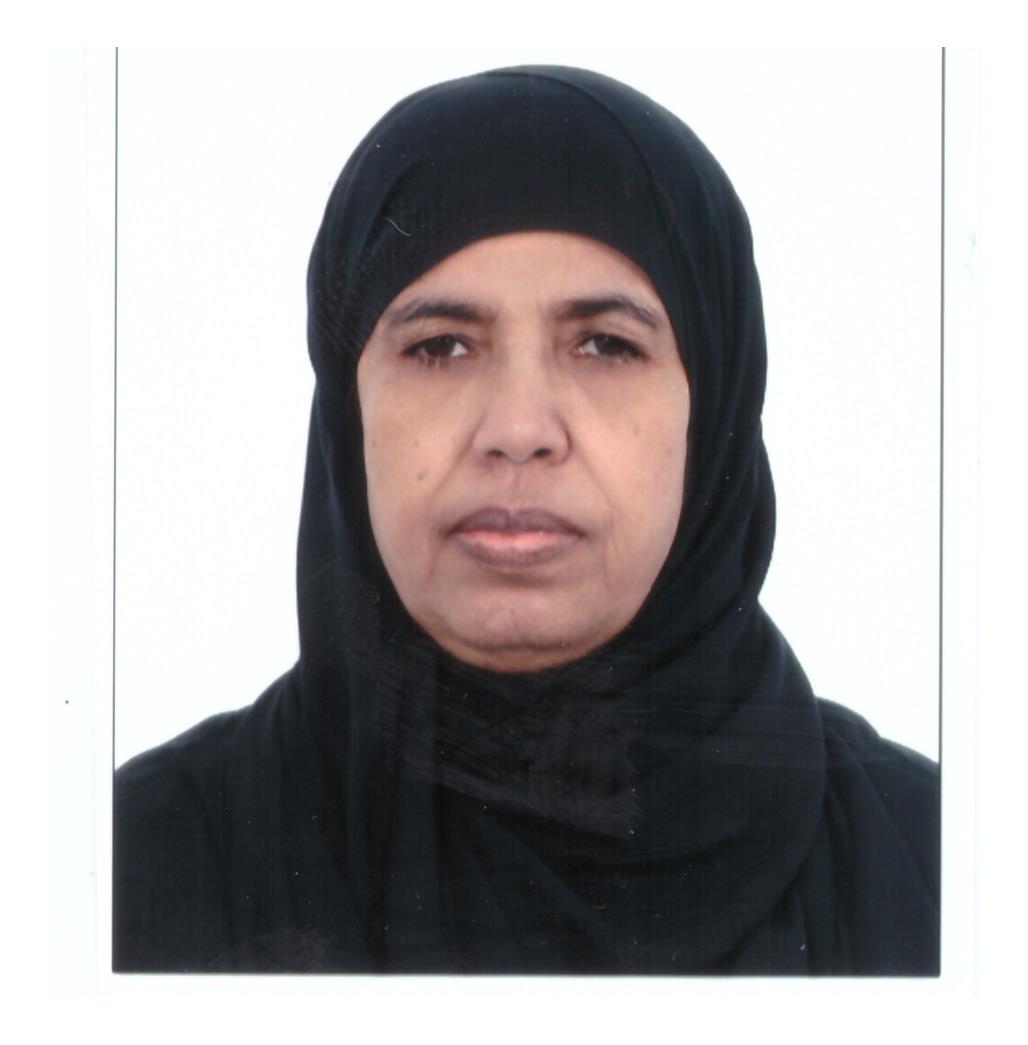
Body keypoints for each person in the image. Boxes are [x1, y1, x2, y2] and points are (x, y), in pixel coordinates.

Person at [113, 65, 939, 974]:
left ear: (715, 404)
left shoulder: (942, 873)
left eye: (604, 344)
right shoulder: (122, 872)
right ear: (348, 411)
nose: (518, 429)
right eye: (441, 346)